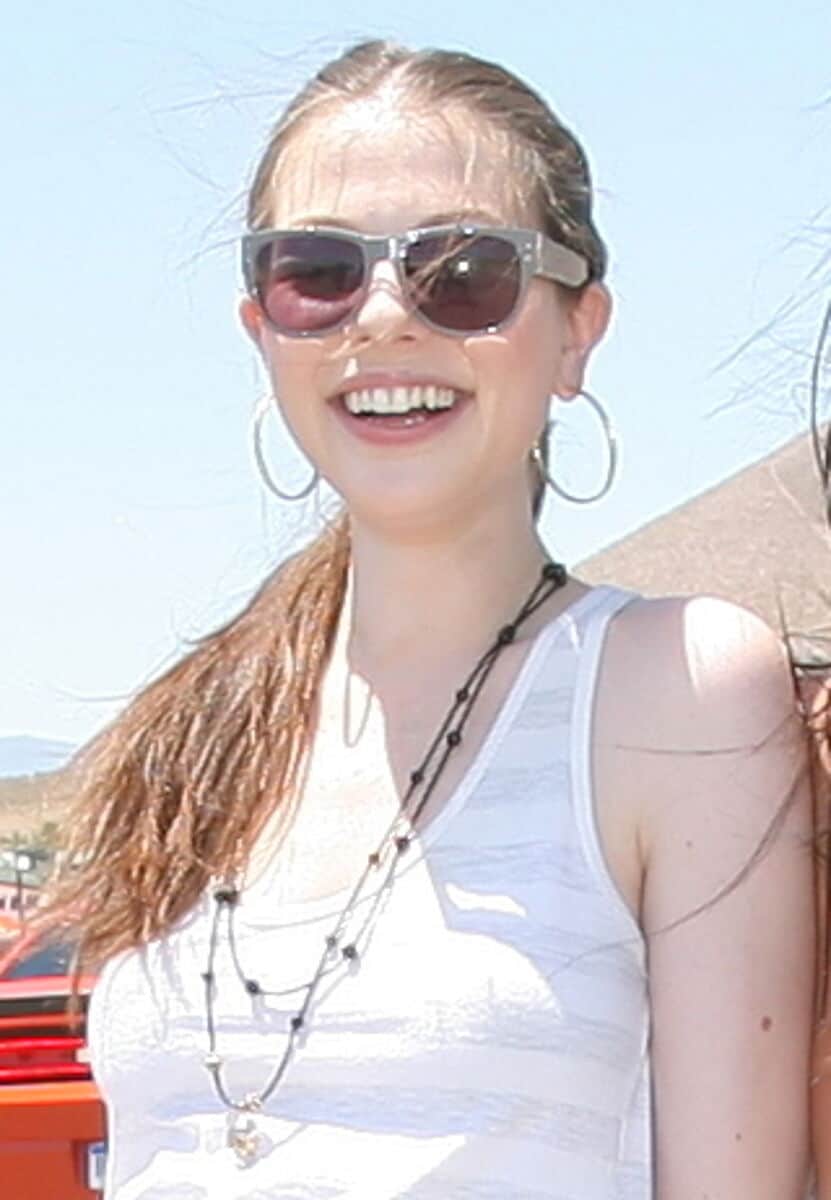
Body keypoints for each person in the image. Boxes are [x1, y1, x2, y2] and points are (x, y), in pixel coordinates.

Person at [42, 40, 814, 1199]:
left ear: (578, 332)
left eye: (464, 272)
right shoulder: (192, 737)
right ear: (261, 329)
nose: (385, 317)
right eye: (320, 273)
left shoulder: (680, 690)